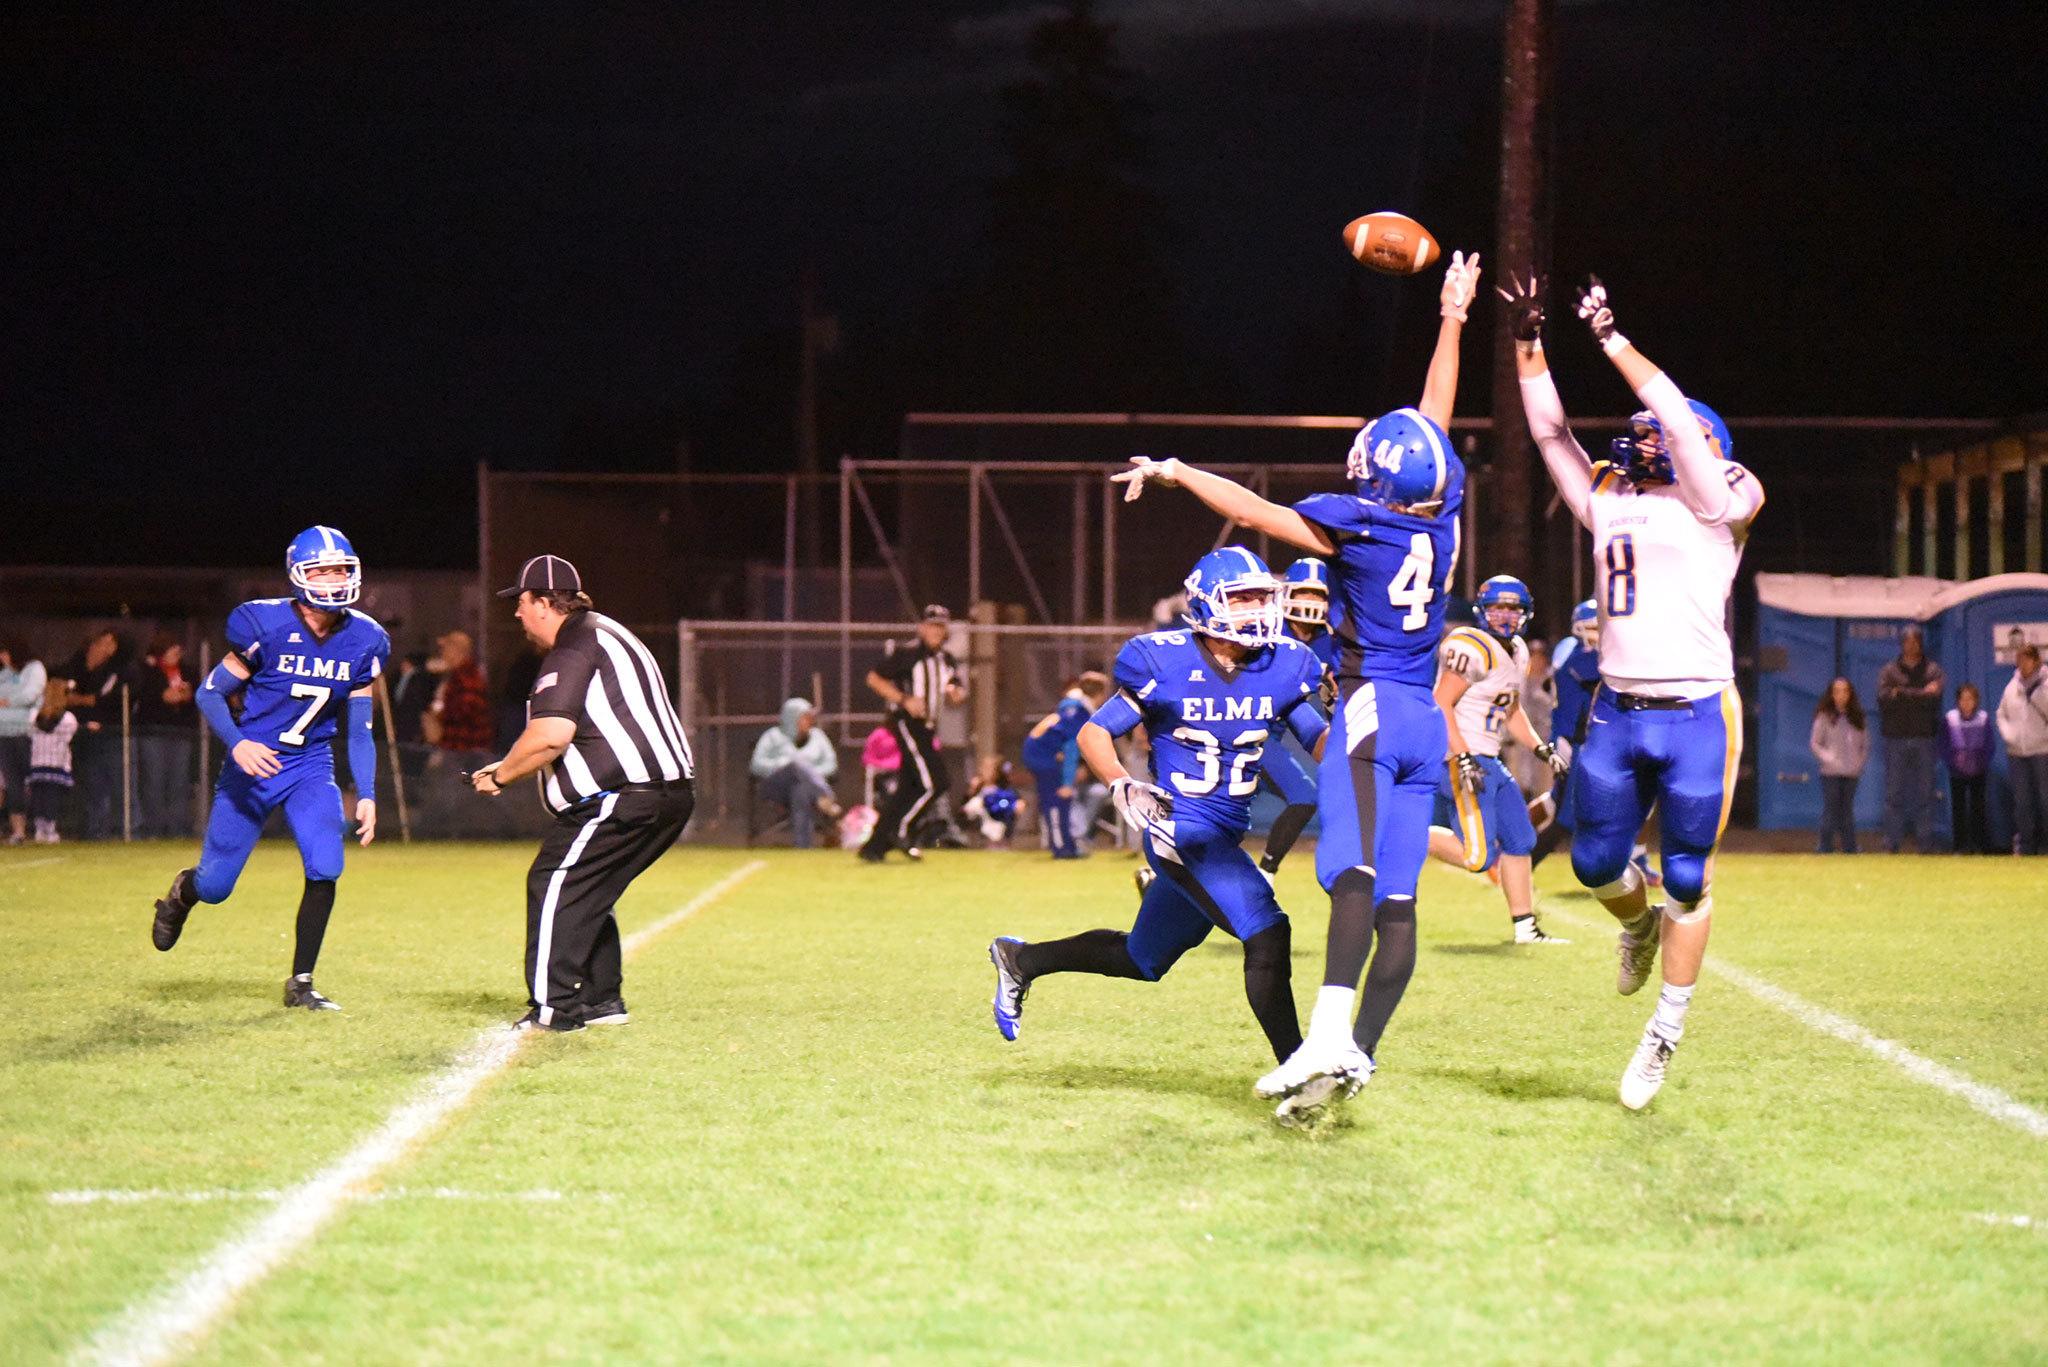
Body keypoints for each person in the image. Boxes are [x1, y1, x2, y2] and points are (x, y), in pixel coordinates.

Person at [1114, 249, 1481, 1120]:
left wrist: (1174, 470)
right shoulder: (1446, 510)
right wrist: (1453, 317)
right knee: (1397, 899)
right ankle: (1350, 1058)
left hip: (1370, 706)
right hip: (1426, 719)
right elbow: (1435, 418)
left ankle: (1323, 1040)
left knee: (1348, 877)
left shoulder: (1357, 524)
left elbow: (1250, 511)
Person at [1506, 270, 1764, 1110]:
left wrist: (1613, 340)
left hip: (1696, 710)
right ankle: (1639, 925)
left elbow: (1687, 439)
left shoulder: (1725, 496)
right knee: (1592, 862)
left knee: (1687, 874)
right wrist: (1529, 347)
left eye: (1661, 427)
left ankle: (1665, 1031)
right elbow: (1551, 439)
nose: (1643, 436)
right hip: (1616, 707)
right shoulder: (1613, 496)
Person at [988, 548, 1328, 1083]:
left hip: (1222, 834)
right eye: (1243, 598)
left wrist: (1367, 737)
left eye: (1263, 596)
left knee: (1143, 959)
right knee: (1267, 930)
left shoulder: (1282, 665)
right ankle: (1301, 1070)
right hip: (1179, 828)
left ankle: (1021, 960)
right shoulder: (1164, 660)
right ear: (1207, 605)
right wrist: (1121, 783)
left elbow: (1321, 741)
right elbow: (1094, 732)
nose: (1258, 609)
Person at [149, 527, 390, 1011]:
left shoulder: (366, 639)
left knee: (326, 864)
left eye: (341, 568)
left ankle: (301, 983)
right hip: (253, 765)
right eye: (322, 569)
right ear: (299, 575)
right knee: (216, 887)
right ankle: (183, 891)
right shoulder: (264, 626)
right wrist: (237, 744)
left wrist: (366, 791)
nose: (335, 578)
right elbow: (210, 693)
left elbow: (360, 729)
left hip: (309, 765)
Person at [469, 555, 696, 1031]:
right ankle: (599, 999)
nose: (517, 614)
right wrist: (511, 763)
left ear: (545, 603)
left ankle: (556, 1009)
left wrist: (500, 776)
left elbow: (551, 734)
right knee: (589, 890)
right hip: (668, 794)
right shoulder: (610, 632)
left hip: (623, 795)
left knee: (553, 880)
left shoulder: (573, 645)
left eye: (523, 602)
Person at [1427, 575, 1570, 944]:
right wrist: (1461, 757)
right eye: (1497, 608)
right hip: (1465, 758)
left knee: (1521, 839)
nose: (1505, 616)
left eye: (1513, 608)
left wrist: (1540, 747)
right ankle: (1405, 831)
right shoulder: (1471, 646)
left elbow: (1511, 710)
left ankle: (1526, 928)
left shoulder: (1518, 650)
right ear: (1482, 611)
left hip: (1490, 759)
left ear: (1525, 613)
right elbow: (1440, 703)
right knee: (1477, 857)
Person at [858, 605, 967, 863]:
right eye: (931, 625)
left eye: (940, 627)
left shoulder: (946, 659)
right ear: (921, 627)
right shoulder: (908, 654)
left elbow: (956, 691)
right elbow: (874, 678)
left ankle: (874, 847)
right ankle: (902, 830)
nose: (935, 631)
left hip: (929, 728)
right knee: (936, 782)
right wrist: (904, 699)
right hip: (908, 723)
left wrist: (955, 694)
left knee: (909, 787)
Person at [1255, 558, 1336, 876]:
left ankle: (1266, 873)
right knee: (1218, 819)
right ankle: (1165, 873)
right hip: (1244, 727)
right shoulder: (1266, 630)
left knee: (1303, 797)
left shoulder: (1332, 642)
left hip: (1275, 731)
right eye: (1304, 593)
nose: (1310, 602)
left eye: (1318, 595)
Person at [1020, 672, 1111, 858]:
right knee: (1056, 801)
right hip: (1043, 758)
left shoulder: (1074, 707)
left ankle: (1067, 845)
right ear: (1100, 693)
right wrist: (1067, 784)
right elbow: (1071, 749)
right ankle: (1061, 848)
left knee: (1063, 802)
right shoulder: (1078, 712)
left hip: (1045, 756)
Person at [1876, 626, 1945, 852]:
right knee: (1894, 794)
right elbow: (1883, 700)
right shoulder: (1889, 671)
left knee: (1925, 794)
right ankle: (1891, 843)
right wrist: (1920, 693)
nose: (1912, 645)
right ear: (1901, 643)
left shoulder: (1933, 670)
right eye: (1908, 641)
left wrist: (1901, 693)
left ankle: (1925, 844)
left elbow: (1934, 699)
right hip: (1895, 739)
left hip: (1924, 739)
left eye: (1916, 641)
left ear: (1921, 643)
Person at [60, 628, 127, 839]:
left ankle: (99, 831)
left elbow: (102, 699)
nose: (109, 649)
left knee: (101, 784)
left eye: (112, 644)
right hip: (77, 734)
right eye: (105, 643)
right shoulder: (76, 666)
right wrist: (81, 699)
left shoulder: (113, 670)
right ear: (93, 645)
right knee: (82, 783)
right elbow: (64, 695)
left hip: (104, 735)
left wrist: (80, 699)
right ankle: (85, 829)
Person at [750, 697, 842, 849]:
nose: (810, 721)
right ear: (792, 718)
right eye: (805, 717)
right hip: (777, 788)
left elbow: (831, 764)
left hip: (807, 789)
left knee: (801, 790)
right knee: (796, 765)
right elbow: (756, 765)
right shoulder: (772, 736)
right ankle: (826, 797)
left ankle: (802, 847)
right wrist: (781, 765)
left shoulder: (818, 737)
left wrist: (809, 773)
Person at [132, 634, 199, 838]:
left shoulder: (187, 671)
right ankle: (154, 827)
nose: (177, 655)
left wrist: (186, 696)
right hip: (154, 731)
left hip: (180, 731)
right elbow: (143, 697)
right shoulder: (148, 671)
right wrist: (163, 696)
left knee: (179, 782)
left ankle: (176, 828)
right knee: (155, 781)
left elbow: (196, 695)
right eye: (173, 650)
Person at [1997, 644, 2048, 855]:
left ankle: (2046, 845)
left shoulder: (2046, 684)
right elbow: (2001, 714)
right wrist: (2009, 735)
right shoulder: (2011, 686)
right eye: (2019, 659)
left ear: (2036, 661)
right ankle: (2026, 846)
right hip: (2017, 754)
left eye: (2027, 659)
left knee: (2045, 799)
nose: (2023, 663)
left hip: (2042, 752)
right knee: (2022, 802)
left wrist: (2036, 694)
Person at [1809, 677, 1869, 854]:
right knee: (1831, 809)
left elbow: (1865, 744)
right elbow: (1815, 743)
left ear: (1850, 694)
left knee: (1847, 811)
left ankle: (1849, 846)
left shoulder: (1858, 718)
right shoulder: (1824, 717)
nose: (1841, 695)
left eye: (1845, 691)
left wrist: (1859, 762)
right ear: (1831, 694)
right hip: (1831, 772)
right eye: (1837, 691)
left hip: (1851, 772)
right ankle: (1825, 846)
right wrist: (1829, 759)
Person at [0, 639, 47, 845]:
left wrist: (8, 701)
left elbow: (30, 695)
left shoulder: (34, 668)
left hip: (27, 734)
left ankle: (44, 827)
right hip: (4, 734)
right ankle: (18, 831)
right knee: (13, 784)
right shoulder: (5, 674)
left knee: (37, 780)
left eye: (5, 653)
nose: (3, 658)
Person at [1939, 682, 1993, 854]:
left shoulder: (1983, 718)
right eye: (1963, 699)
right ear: (1957, 701)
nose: (1966, 703)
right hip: (1957, 770)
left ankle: (1979, 845)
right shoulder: (1950, 718)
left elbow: (1990, 744)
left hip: (1978, 769)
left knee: (1978, 807)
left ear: (1976, 701)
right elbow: (1943, 744)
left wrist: (1982, 762)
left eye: (1970, 699)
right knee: (1958, 808)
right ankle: (1960, 846)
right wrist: (1952, 762)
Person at [28, 678, 79, 844]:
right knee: (51, 797)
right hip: (56, 761)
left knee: (39, 796)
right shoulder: (68, 718)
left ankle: (40, 830)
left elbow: (31, 733)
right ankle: (49, 830)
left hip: (37, 761)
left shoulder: (34, 715)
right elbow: (70, 735)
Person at [427, 629, 493, 755]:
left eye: (445, 649)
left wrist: (437, 717)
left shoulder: (466, 677)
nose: (442, 653)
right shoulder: (456, 676)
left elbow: (463, 711)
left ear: (456, 651)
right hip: (458, 745)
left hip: (465, 748)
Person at [964, 756, 1022, 847]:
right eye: (984, 768)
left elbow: (1016, 805)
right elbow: (964, 810)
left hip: (999, 827)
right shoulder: (978, 789)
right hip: (978, 829)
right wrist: (971, 791)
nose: (986, 771)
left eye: (990, 768)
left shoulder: (1004, 790)